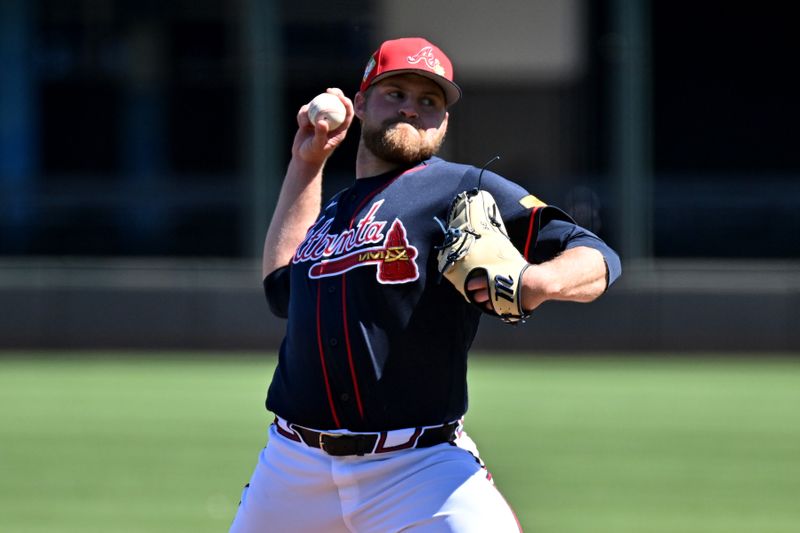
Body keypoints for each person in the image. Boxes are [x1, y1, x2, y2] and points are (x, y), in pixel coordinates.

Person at [230, 37, 621, 532]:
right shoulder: (332, 210)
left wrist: (538, 279)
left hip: (418, 469)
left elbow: (597, 255)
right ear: (362, 102)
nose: (412, 109)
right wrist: (307, 163)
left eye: (429, 101)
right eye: (396, 94)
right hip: (292, 470)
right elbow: (280, 289)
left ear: (444, 121)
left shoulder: (463, 187)